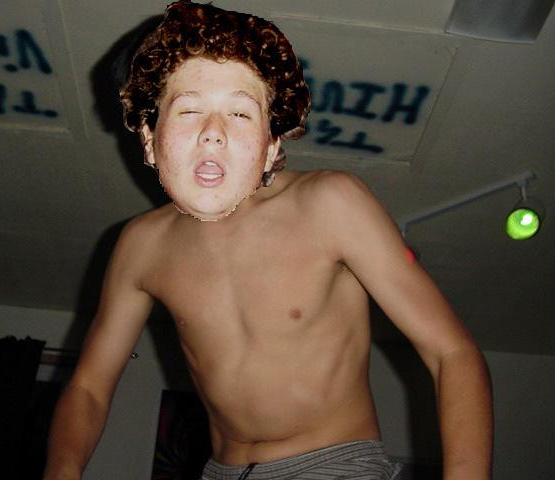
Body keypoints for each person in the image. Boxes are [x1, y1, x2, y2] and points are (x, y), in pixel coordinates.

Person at [44, 2, 493, 479]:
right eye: (188, 107)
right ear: (151, 135)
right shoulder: (141, 246)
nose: (211, 133)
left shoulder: (329, 203)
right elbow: (89, 387)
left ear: (271, 142)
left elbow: (452, 353)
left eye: (237, 110)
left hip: (333, 466)